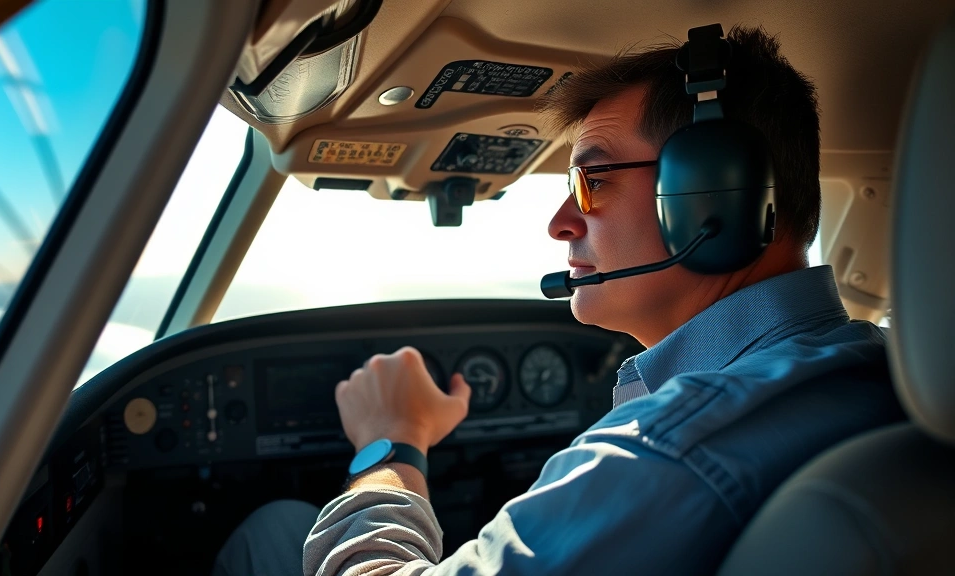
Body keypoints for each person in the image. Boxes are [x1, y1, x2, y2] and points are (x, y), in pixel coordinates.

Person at [213, 25, 903, 576]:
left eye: (592, 181)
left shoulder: (670, 451)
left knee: (273, 530)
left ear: (715, 197)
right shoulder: (881, 375)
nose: (560, 224)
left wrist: (390, 447)